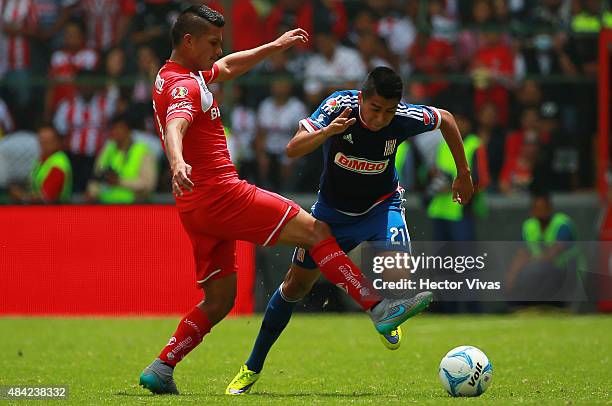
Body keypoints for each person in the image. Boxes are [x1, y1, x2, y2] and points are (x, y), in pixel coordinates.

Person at [139, 6, 469, 395]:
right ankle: (377, 307)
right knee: (316, 232)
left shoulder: (173, 75)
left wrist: (274, 45)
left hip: (195, 207)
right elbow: (177, 122)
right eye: (213, 43)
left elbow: (225, 69)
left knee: (219, 300)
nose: (219, 49)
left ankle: (162, 366)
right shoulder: (186, 88)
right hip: (222, 193)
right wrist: (176, 161)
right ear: (189, 41)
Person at [225, 66, 475, 395]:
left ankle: (387, 311)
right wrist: (327, 132)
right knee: (294, 286)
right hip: (331, 215)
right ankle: (252, 366)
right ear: (361, 99)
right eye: (374, 109)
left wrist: (464, 173)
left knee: (400, 278)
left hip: (381, 207)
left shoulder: (402, 117)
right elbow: (293, 147)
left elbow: (446, 119)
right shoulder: (336, 107)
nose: (381, 118)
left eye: (388, 111)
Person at [85, 113, 157, 204]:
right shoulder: (107, 150)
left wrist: (119, 182)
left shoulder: (143, 151)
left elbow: (147, 185)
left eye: (119, 128)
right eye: (113, 128)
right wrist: (92, 192)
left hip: (133, 207)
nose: (115, 132)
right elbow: (96, 176)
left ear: (129, 130)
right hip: (105, 205)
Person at [9, 125, 72, 203]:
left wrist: (22, 196)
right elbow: (34, 185)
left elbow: (46, 198)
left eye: (47, 141)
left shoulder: (58, 165)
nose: (43, 145)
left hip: (54, 212)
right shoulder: (42, 159)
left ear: (57, 142)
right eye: (41, 140)